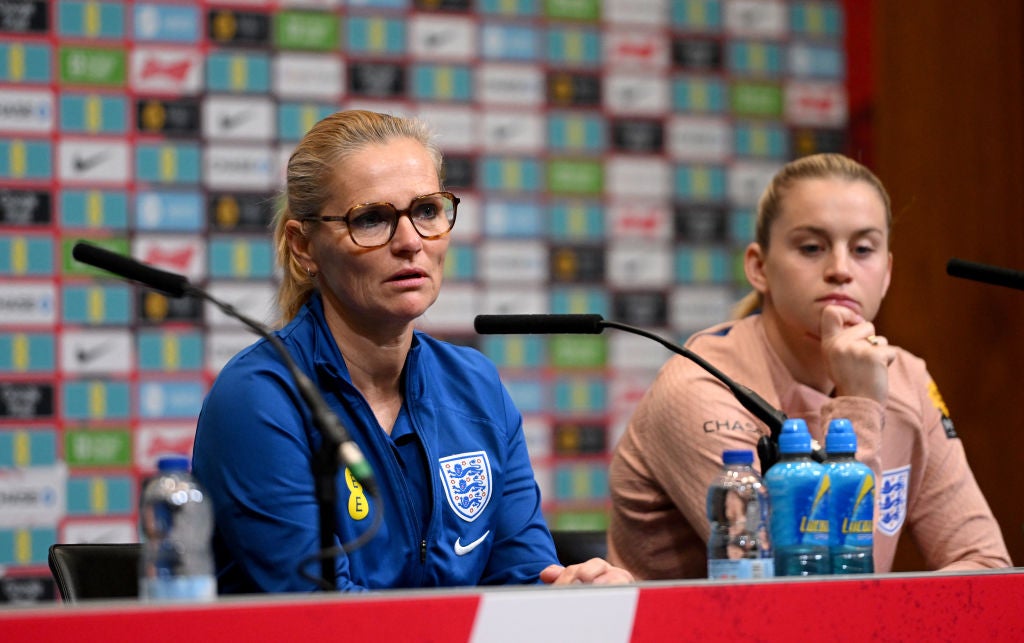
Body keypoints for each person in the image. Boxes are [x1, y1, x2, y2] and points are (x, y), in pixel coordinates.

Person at [192, 110, 632, 593]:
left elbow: (520, 578)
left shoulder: (475, 385)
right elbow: (326, 617)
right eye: (372, 219)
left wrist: (568, 599)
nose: (409, 242)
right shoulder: (260, 399)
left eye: (426, 211)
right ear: (304, 247)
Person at [607, 153, 1011, 578]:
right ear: (759, 268)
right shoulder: (699, 387)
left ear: (887, 272)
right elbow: (806, 589)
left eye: (863, 249)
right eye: (812, 248)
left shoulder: (907, 376)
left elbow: (984, 566)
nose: (840, 270)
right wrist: (861, 403)